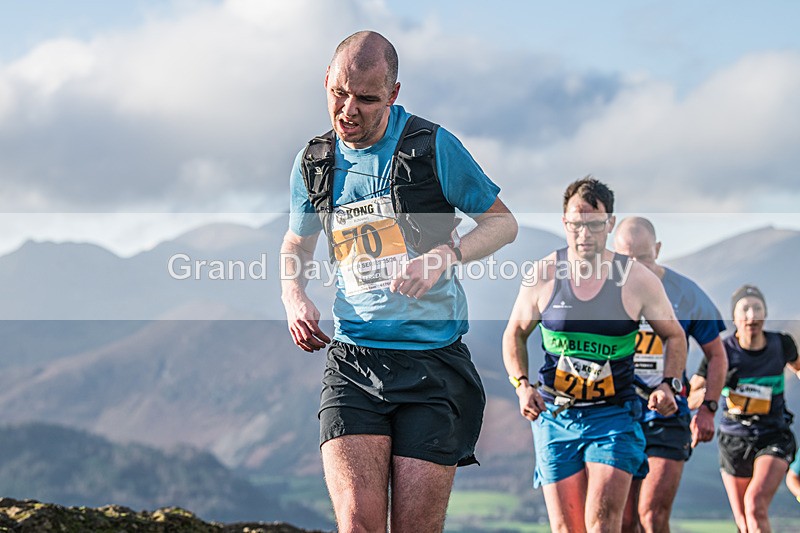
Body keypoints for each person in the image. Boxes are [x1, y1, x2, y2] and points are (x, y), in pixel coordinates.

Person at [280, 31, 518, 533]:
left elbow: (502, 224)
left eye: (366, 99)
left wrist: (443, 257)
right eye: (338, 93)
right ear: (326, 80)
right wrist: (293, 295)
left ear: (393, 93)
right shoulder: (315, 162)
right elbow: (295, 245)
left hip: (433, 365)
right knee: (357, 523)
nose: (348, 110)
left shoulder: (432, 148)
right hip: (354, 361)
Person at [502, 177, 687, 533]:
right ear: (564, 224)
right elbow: (515, 333)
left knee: (602, 524)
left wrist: (668, 384)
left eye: (593, 225)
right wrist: (522, 385)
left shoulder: (636, 279)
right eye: (575, 225)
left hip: (613, 416)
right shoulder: (543, 273)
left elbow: (674, 335)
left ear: (609, 224)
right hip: (556, 415)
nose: (583, 234)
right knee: (566, 528)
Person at [613, 217, 728, 533]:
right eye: (627, 259)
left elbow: (717, 355)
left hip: (668, 414)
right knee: (623, 521)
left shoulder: (686, 293)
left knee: (651, 515)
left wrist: (709, 407)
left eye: (644, 258)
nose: (635, 266)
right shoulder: (602, 290)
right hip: (619, 412)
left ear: (659, 250)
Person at [688, 284, 800, 533]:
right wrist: (717, 385)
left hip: (774, 435)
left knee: (755, 505)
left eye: (757, 309)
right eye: (745, 309)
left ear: (766, 313)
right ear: (735, 317)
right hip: (734, 441)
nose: (752, 316)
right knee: (744, 522)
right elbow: (691, 397)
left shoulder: (781, 344)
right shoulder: (721, 352)